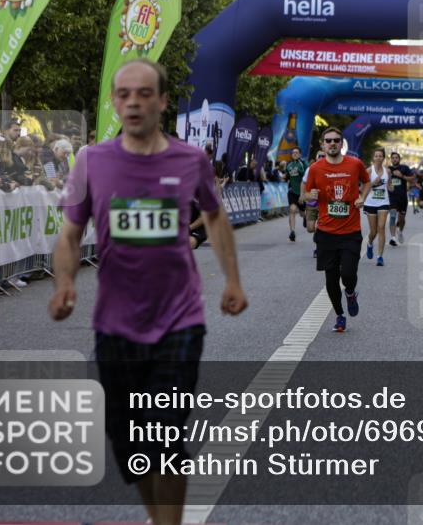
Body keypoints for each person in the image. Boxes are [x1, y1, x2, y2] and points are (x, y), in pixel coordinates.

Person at [49, 59, 248, 525]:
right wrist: (63, 284)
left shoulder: (190, 160)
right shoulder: (91, 161)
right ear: (115, 101)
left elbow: (215, 216)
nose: (133, 102)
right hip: (114, 324)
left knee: (165, 432)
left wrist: (233, 280)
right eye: (124, 94)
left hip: (179, 319)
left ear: (161, 101)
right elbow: (70, 234)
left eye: (143, 93)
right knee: (130, 440)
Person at [305, 127, 371, 333]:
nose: (332, 144)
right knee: (330, 278)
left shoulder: (354, 164)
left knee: (348, 274)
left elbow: (367, 181)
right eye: (328, 141)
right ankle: (340, 315)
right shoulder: (315, 168)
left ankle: (350, 293)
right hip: (326, 233)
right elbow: (305, 194)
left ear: (342, 144)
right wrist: (310, 196)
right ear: (323, 145)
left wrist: (362, 197)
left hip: (350, 231)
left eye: (336, 140)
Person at [362, 147, 392, 266]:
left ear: (383, 158)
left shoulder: (387, 171)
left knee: (381, 227)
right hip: (370, 203)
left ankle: (380, 256)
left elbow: (389, 185)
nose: (378, 158)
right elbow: (363, 187)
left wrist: (393, 188)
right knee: (373, 232)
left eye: (380, 156)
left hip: (383, 202)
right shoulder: (369, 171)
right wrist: (373, 183)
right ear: (373, 158)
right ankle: (370, 243)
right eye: (376, 156)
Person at [387, 151, 414, 246]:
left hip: (402, 197)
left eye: (396, 158)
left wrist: (402, 176)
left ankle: (400, 231)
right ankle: (393, 238)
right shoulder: (388, 169)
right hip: (392, 197)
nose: (394, 159)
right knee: (393, 215)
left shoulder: (404, 168)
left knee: (402, 219)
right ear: (391, 159)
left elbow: (412, 178)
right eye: (393, 158)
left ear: (399, 159)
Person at [284, 146, 308, 242]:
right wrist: (284, 178)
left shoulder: (303, 164)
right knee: (292, 210)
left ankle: (305, 217)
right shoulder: (289, 165)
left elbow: (307, 178)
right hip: (292, 191)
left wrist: (304, 193)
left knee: (302, 213)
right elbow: (287, 177)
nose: (294, 154)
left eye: (296, 152)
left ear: (300, 154)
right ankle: (292, 232)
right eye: (293, 152)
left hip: (301, 193)